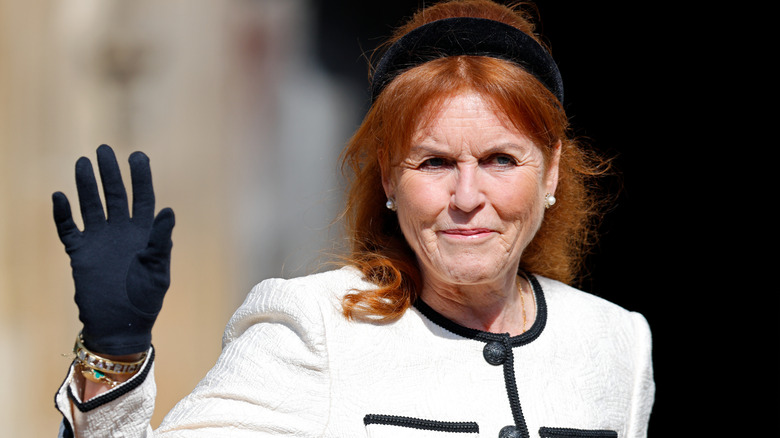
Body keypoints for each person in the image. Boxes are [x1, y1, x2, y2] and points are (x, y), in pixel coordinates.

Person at [52, 1, 654, 437]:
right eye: (434, 161)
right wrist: (115, 356)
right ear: (390, 178)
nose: (467, 195)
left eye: (500, 159)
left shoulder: (618, 345)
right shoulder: (313, 331)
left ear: (550, 173)